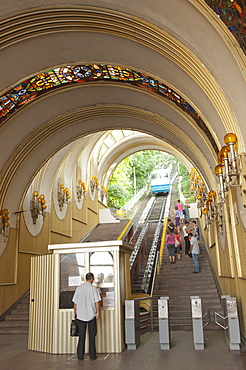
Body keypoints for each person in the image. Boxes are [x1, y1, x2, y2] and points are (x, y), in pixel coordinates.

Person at [72, 272, 101, 361]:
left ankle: (80, 356)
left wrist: (75, 312)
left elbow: (75, 302)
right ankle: (92, 355)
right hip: (91, 314)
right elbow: (97, 302)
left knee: (81, 336)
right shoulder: (93, 289)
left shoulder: (79, 288)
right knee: (91, 335)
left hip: (80, 315)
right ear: (92, 279)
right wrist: (98, 312)